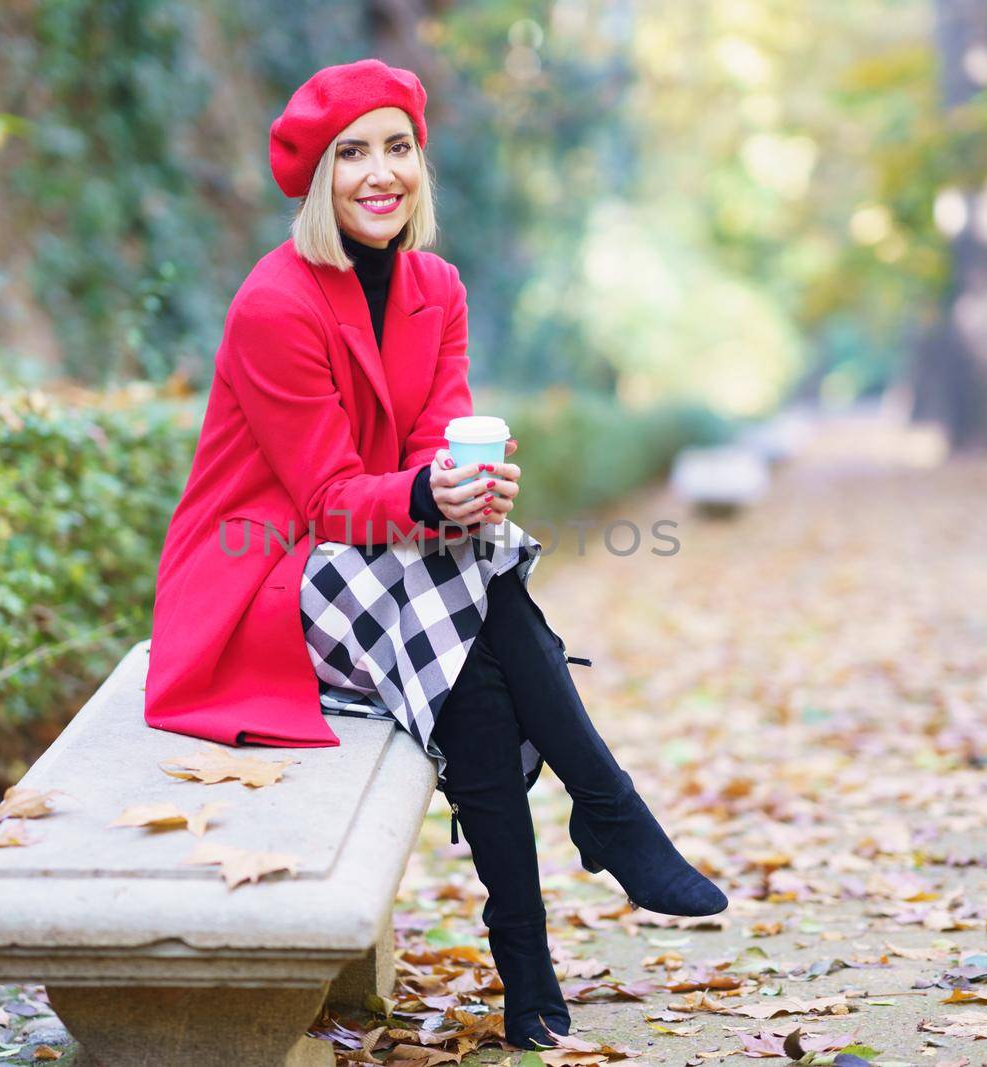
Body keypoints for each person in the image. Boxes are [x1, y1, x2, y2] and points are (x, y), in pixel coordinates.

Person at [144, 58, 728, 1051]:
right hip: (257, 580)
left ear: (422, 162)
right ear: (320, 177)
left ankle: (531, 958)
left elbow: (437, 437)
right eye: (354, 153)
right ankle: (606, 817)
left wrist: (466, 487)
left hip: (387, 571)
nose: (382, 172)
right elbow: (327, 500)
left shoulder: (437, 288)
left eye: (400, 147)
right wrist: (428, 499)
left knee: (475, 627)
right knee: (473, 582)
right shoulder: (274, 303)